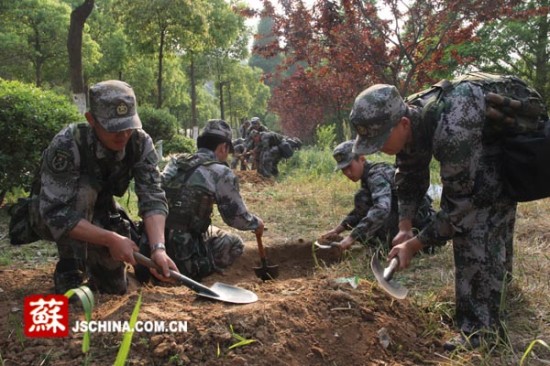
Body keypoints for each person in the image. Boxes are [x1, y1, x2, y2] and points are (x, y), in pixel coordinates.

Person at [349, 76, 547, 351]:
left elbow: (459, 210)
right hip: (482, 147)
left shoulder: (453, 128)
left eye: (380, 141)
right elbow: (409, 172)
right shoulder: (413, 117)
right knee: (482, 219)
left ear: (403, 123)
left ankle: (479, 334)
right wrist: (405, 226)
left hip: (499, 153)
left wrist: (416, 244)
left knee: (474, 231)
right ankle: (498, 291)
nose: (378, 149)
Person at [30, 80, 178, 295]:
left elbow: (153, 196)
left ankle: (98, 267)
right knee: (85, 190)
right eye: (114, 128)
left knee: (114, 288)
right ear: (91, 120)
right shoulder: (68, 144)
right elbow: (55, 213)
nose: (123, 135)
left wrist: (159, 249)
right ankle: (71, 268)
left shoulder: (140, 142)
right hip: (53, 215)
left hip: (100, 214)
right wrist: (110, 239)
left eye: (128, 126)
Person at [140, 119, 264, 281]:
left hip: (151, 245)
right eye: (227, 150)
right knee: (234, 243)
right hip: (183, 255)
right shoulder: (220, 172)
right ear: (223, 147)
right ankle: (201, 271)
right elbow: (237, 219)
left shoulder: (176, 162)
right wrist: (256, 223)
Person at [321, 140, 437, 252]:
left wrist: (351, 238)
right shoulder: (368, 176)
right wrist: (338, 230)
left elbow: (382, 209)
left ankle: (391, 245)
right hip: (411, 220)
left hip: (420, 227)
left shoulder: (376, 175)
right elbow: (360, 211)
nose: (347, 173)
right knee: (363, 198)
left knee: (365, 201)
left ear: (361, 159)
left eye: (349, 167)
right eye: (343, 170)